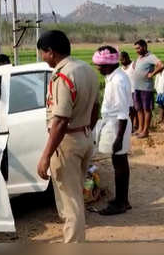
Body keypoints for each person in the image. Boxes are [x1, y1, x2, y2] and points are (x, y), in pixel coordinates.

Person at [36, 30, 99, 243]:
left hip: (67, 143)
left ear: (50, 52)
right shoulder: (87, 70)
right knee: (75, 199)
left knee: (69, 204)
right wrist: (86, 130)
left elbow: (60, 121)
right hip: (84, 137)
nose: (42, 58)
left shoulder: (63, 75)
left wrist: (46, 156)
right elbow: (95, 108)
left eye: (42, 53)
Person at [93, 46, 132, 216]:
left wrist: (118, 138)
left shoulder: (117, 81)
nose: (98, 68)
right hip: (115, 123)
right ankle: (122, 200)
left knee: (119, 164)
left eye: (100, 65)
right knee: (120, 162)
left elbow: (123, 112)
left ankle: (121, 202)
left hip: (118, 125)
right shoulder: (115, 77)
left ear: (108, 65)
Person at [133, 40, 164, 138]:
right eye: (135, 49)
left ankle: (145, 131)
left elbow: (161, 65)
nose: (136, 51)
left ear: (144, 47)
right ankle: (140, 129)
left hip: (146, 88)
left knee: (147, 109)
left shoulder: (151, 57)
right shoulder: (139, 57)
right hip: (137, 87)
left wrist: (152, 74)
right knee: (139, 109)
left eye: (138, 48)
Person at [120, 51, 138, 131]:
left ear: (127, 58)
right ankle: (131, 126)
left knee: (136, 109)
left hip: (135, 90)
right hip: (126, 92)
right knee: (129, 110)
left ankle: (135, 125)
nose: (121, 61)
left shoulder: (133, 65)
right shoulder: (121, 68)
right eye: (120, 60)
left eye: (123, 59)